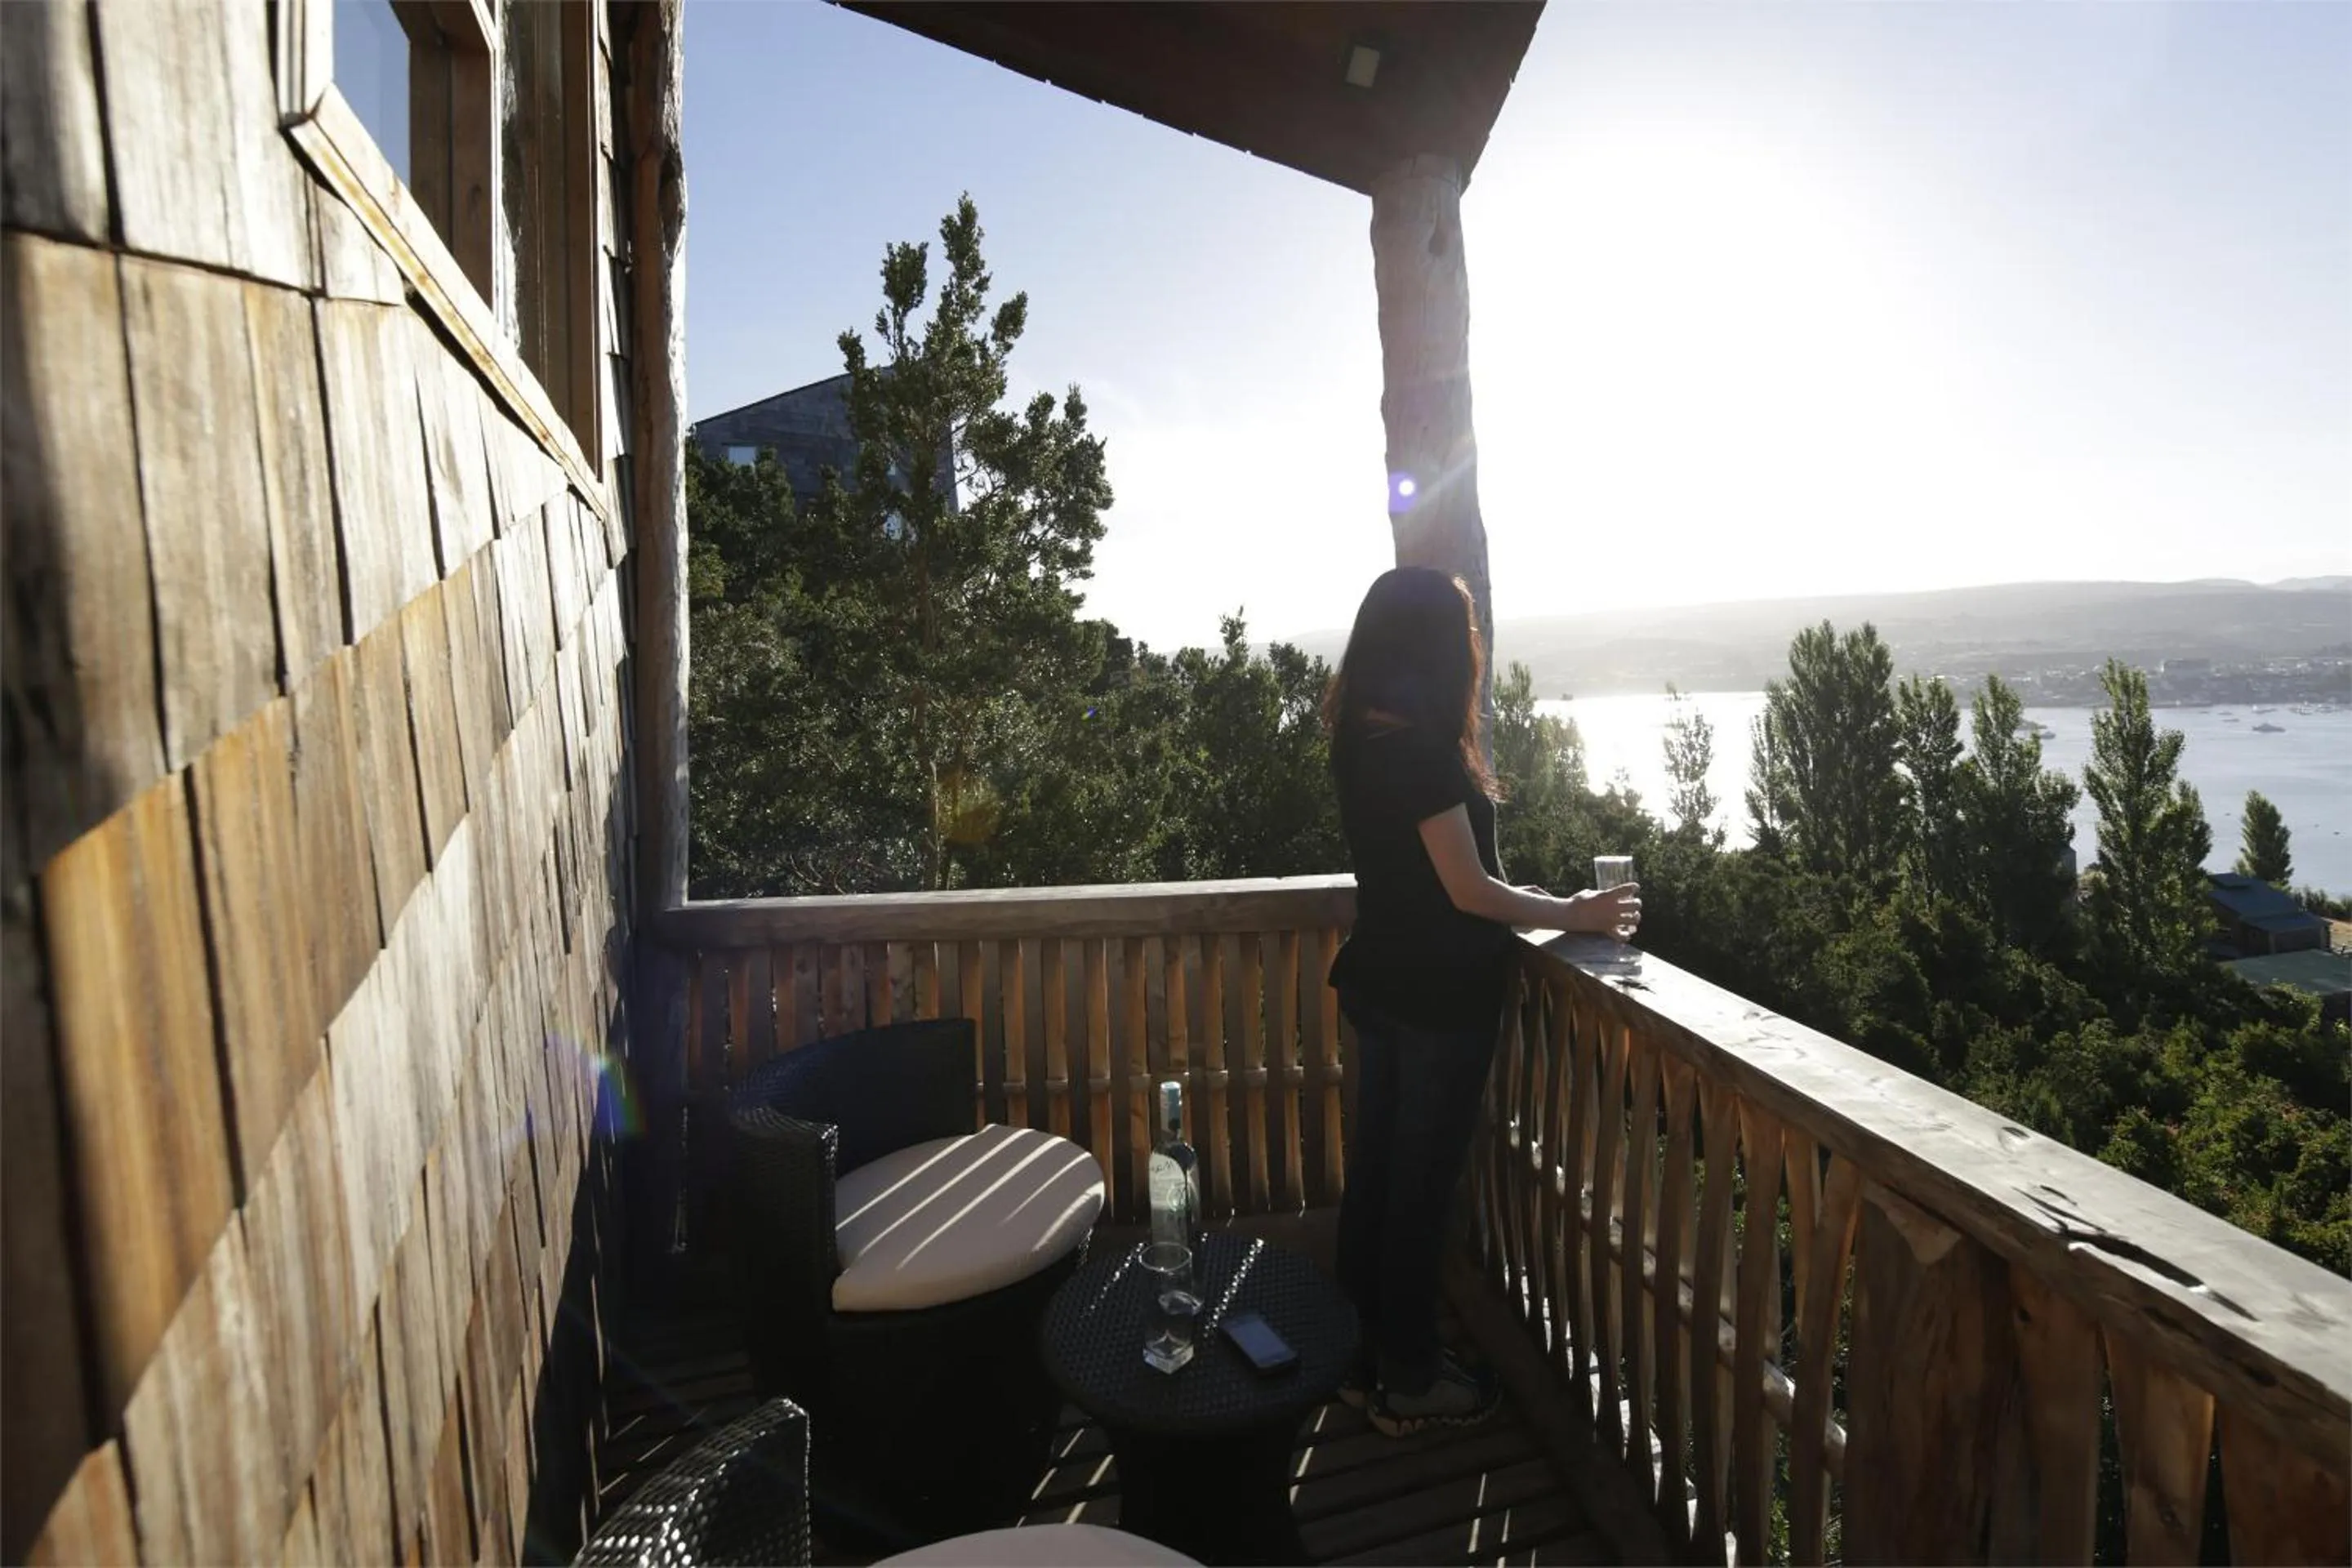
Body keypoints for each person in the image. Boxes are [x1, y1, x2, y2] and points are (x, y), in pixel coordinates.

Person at [1324, 568, 1640, 1436]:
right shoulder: (1422, 755)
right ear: (1437, 647)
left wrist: (1527, 897)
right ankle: (1412, 1379)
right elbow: (1467, 891)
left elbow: (1442, 878)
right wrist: (1570, 913)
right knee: (1419, 1194)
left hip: (1380, 982)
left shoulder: (1360, 738)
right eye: (1465, 631)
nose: (1475, 646)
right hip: (1436, 999)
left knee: (1379, 1183)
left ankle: (1356, 1363)